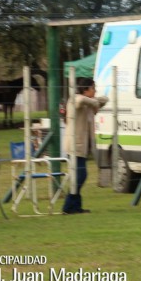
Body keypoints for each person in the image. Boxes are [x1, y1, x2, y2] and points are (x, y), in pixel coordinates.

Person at [62, 78, 108, 215]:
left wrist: (94, 101)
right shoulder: (75, 99)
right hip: (74, 146)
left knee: (80, 176)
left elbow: (105, 99)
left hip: (82, 147)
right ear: (85, 89)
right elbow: (81, 101)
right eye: (93, 89)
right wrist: (94, 102)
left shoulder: (88, 104)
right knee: (80, 176)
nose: (95, 91)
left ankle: (75, 207)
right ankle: (69, 206)